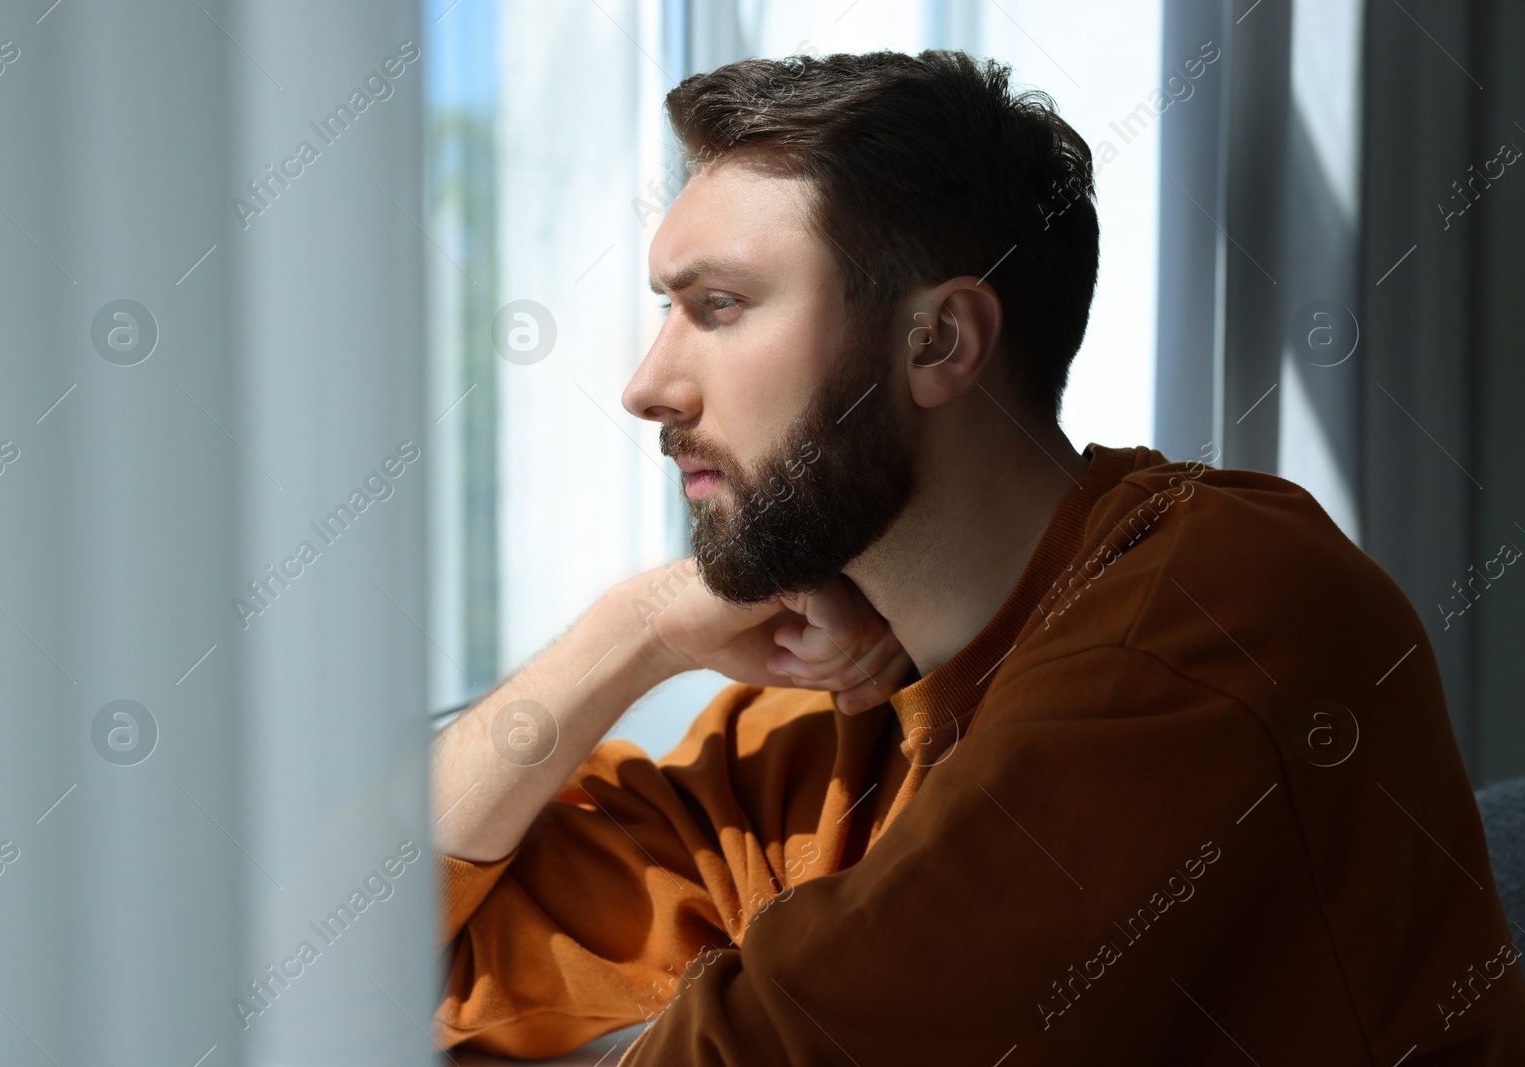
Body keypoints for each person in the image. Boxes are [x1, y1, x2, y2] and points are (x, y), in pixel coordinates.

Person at [429, 50, 1525, 1063]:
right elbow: (331, 964)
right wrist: (642, 627)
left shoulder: (1218, 612)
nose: (645, 385)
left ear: (940, 341)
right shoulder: (817, 715)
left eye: (717, 306)